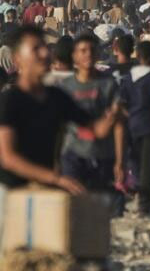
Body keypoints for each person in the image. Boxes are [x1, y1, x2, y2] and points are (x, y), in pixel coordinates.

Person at [0, 25, 119, 253]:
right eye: (36, 49)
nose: (44, 54)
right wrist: (57, 178)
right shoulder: (9, 101)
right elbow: (8, 158)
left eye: (45, 48)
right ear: (18, 59)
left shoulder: (57, 97)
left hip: (44, 190)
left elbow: (92, 129)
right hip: (10, 190)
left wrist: (111, 119)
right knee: (12, 258)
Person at [47, 33, 125, 210]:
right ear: (74, 56)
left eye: (91, 50)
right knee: (73, 207)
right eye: (83, 50)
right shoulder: (65, 87)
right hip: (73, 155)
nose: (88, 54)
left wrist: (120, 161)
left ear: (98, 54)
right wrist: (54, 160)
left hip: (102, 155)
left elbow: (118, 124)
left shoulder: (108, 85)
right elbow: (58, 127)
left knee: (98, 210)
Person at [125, 40, 150, 214]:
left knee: (134, 162)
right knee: (149, 164)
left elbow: (120, 102)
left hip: (131, 124)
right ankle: (144, 202)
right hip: (149, 124)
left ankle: (135, 195)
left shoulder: (129, 77)